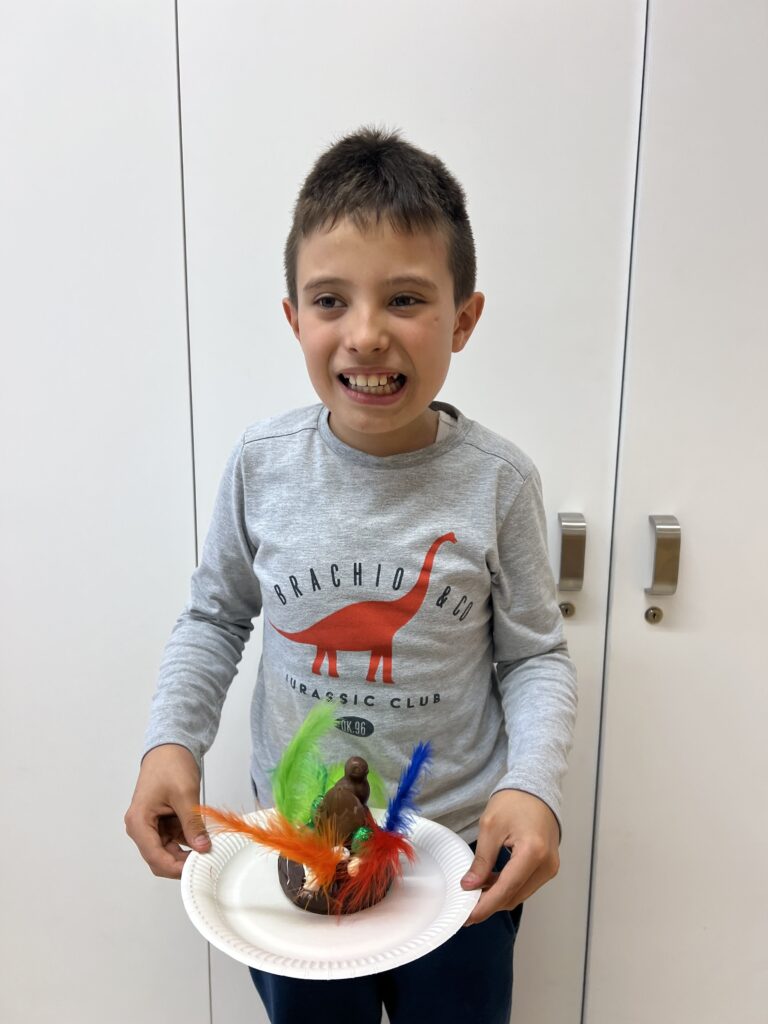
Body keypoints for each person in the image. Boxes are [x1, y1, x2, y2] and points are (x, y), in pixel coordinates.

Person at [125, 126, 578, 1024]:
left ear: (464, 319)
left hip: (455, 860)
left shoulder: (500, 483)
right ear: (294, 316)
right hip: (298, 847)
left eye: (405, 299)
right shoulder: (261, 465)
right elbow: (215, 616)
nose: (365, 335)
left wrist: (533, 787)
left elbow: (535, 657)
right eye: (331, 300)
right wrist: (169, 741)